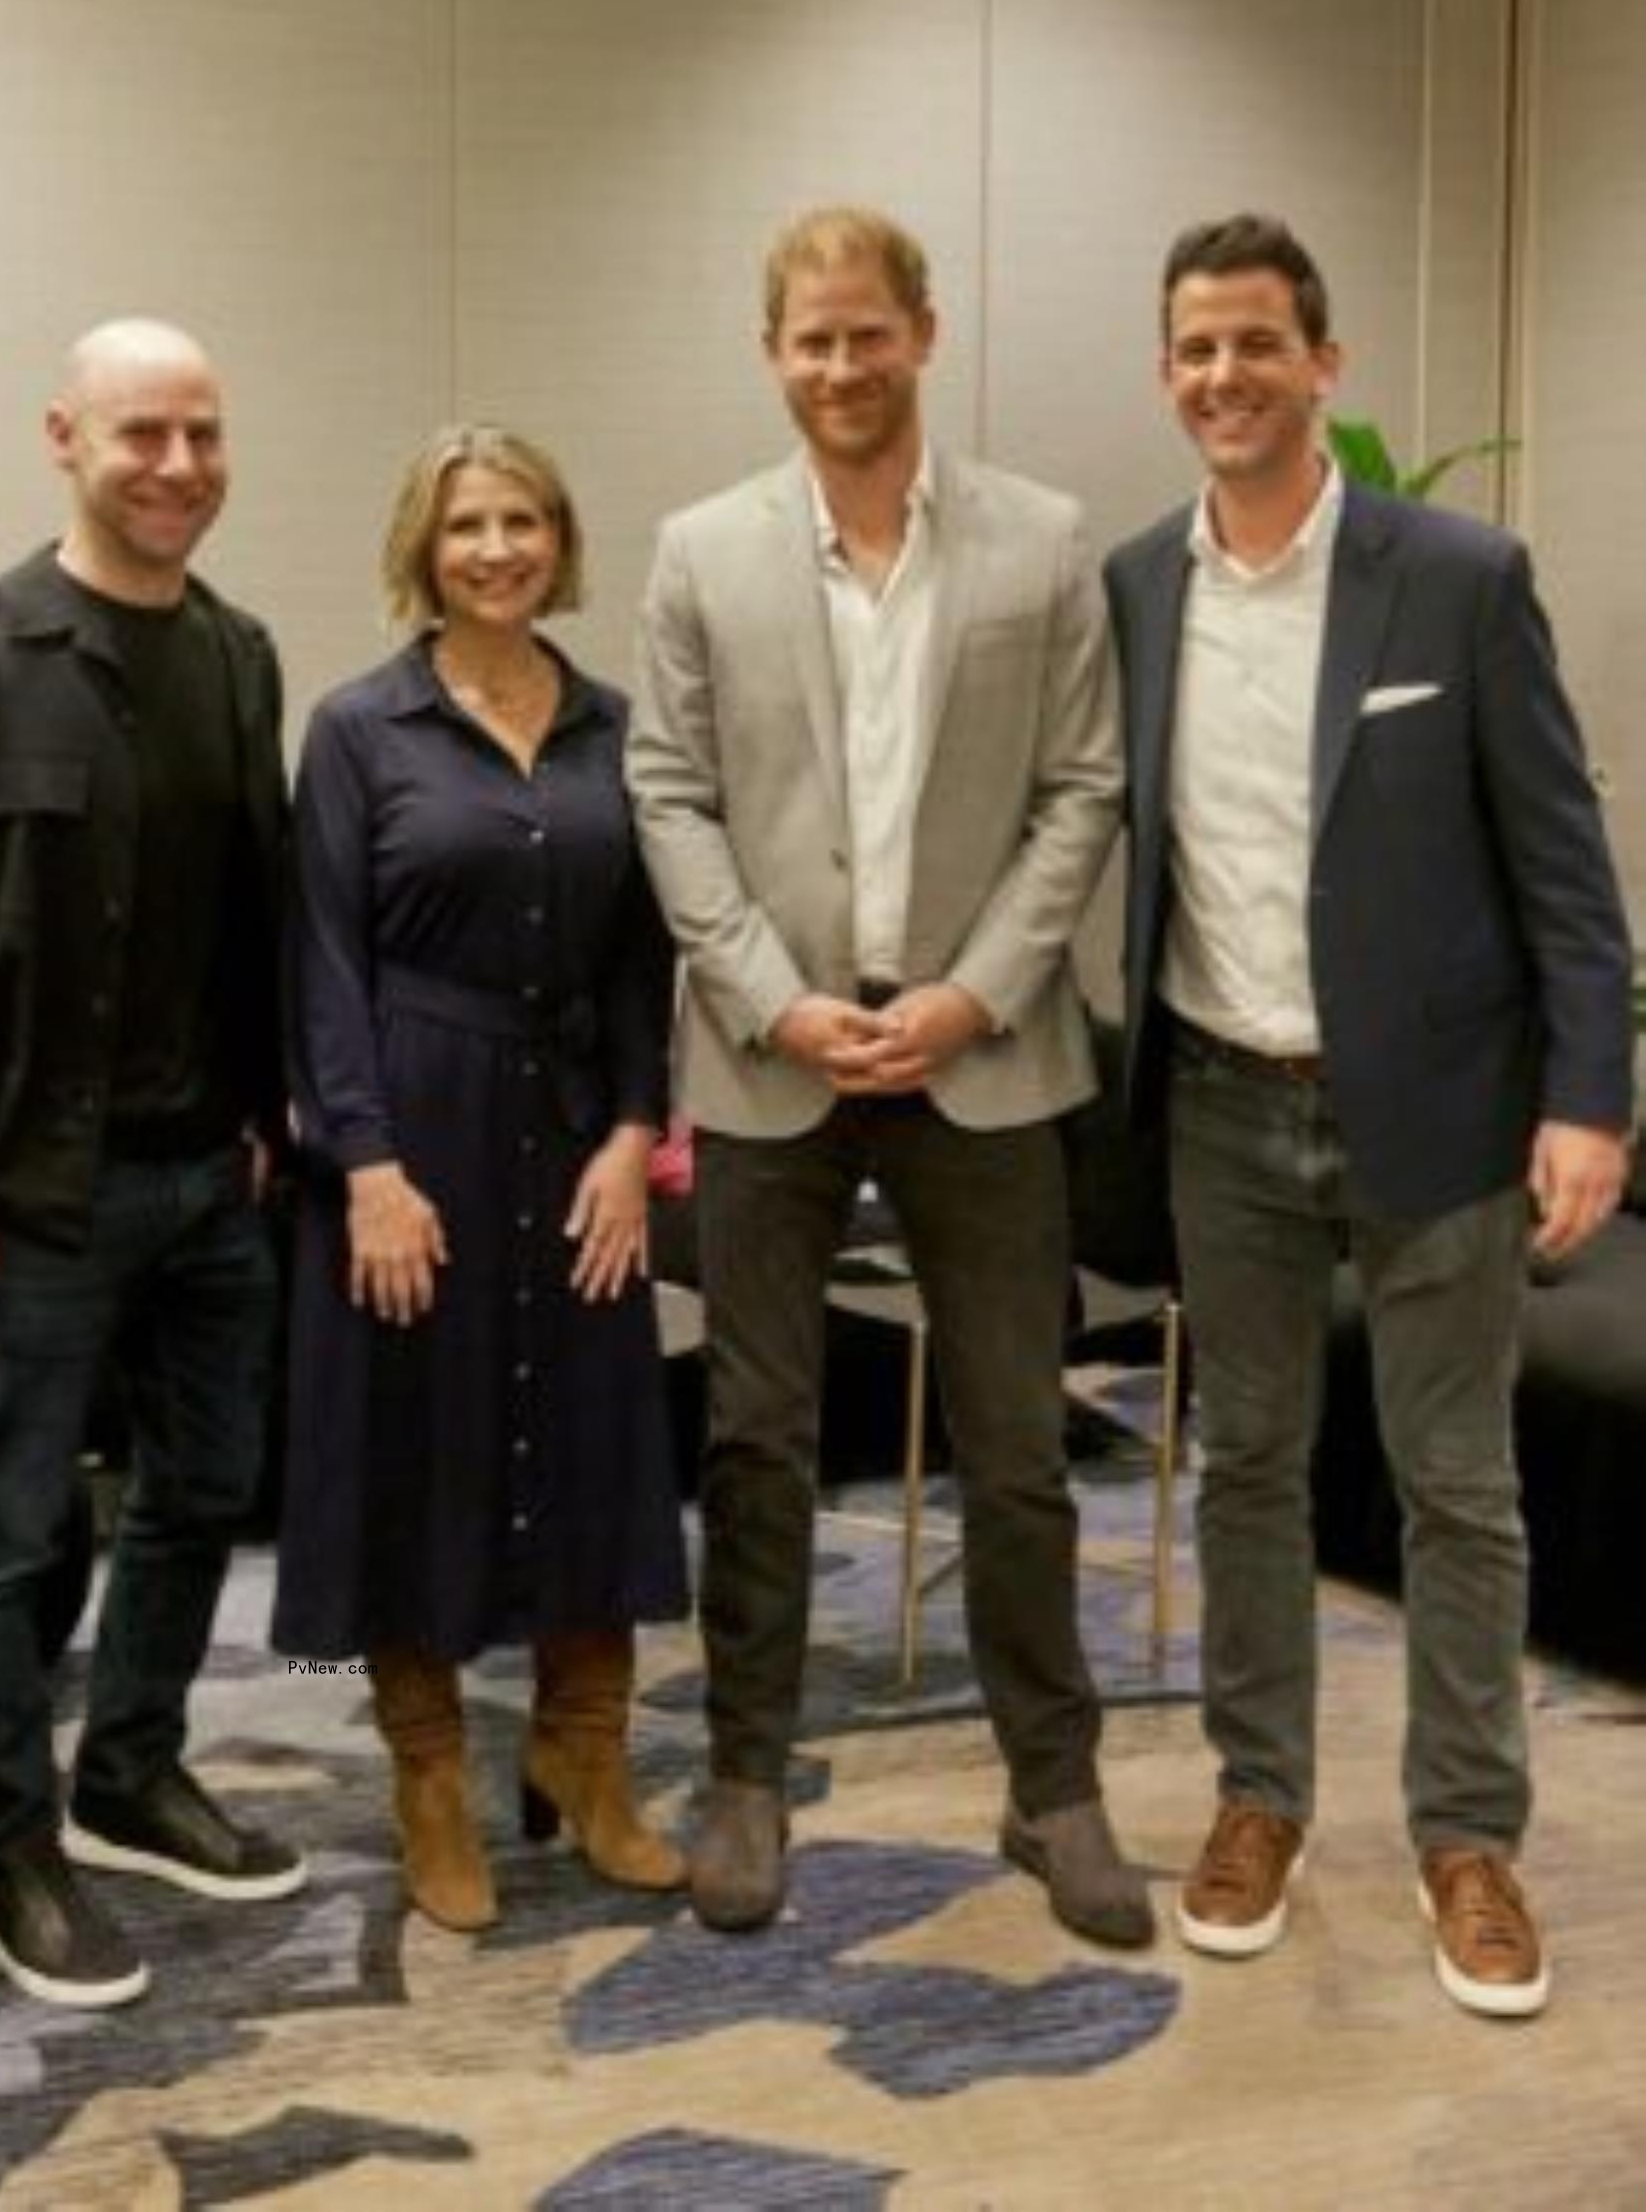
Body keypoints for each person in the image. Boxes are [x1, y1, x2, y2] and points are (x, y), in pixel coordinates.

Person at [1105, 212, 1634, 2019]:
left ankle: (1469, 1839)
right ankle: (1260, 1799)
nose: (1224, 376)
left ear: (1326, 364)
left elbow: (1567, 866)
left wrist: (1590, 1098)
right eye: (1194, 348)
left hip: (1438, 1109)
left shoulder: (1458, 579)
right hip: (1221, 1104)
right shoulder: (1138, 588)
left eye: (1257, 343)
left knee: (1457, 1484)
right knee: (1245, 1463)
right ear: (1165, 374)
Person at [628, 206, 1151, 1947]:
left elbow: (1083, 787)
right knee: (759, 1436)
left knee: (1016, 1442)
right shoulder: (702, 550)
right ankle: (750, 1775)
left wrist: (974, 995)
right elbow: (671, 794)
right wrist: (774, 1000)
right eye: (808, 340)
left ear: (924, 331)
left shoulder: (1044, 540)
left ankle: (1052, 1786)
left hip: (978, 1063)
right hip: (773, 1060)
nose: (840, 367)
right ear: (773, 354)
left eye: (867, 332)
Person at [0, 320, 305, 2013]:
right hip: (29, 1190)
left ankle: (131, 1771)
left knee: (200, 1488)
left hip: (215, 1178)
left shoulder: (240, 656)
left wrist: (274, 1111)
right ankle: (4, 1847)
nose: (178, 466)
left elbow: (255, 910)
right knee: (10, 1523)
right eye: (141, 435)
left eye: (203, 432)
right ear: (64, 439)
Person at [274, 425, 689, 1932]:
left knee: (593, 1439)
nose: (499, 547)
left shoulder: (612, 727)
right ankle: (432, 1777)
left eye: (524, 520)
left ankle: (586, 1759)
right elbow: (320, 967)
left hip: (579, 1138)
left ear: (559, 540)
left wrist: (640, 1134)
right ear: (425, 548)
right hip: (413, 1135)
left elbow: (647, 957)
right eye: (468, 526)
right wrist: (365, 1162)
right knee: (412, 1451)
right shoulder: (358, 729)